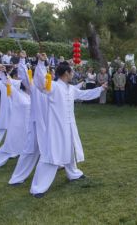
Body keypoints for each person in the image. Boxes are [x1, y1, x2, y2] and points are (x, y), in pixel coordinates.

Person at [29, 62, 107, 198]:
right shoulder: (53, 86)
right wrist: (41, 63)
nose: (73, 74)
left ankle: (73, 173)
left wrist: (100, 89)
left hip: (69, 126)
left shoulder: (71, 89)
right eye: (71, 72)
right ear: (66, 73)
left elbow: (84, 94)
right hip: (56, 127)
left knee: (70, 149)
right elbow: (40, 82)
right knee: (52, 155)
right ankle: (38, 187)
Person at [9, 52, 49, 185]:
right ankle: (18, 177)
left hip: (49, 124)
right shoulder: (33, 86)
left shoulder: (52, 87)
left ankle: (64, 166)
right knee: (29, 150)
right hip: (36, 123)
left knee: (56, 145)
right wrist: (23, 59)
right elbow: (24, 74)